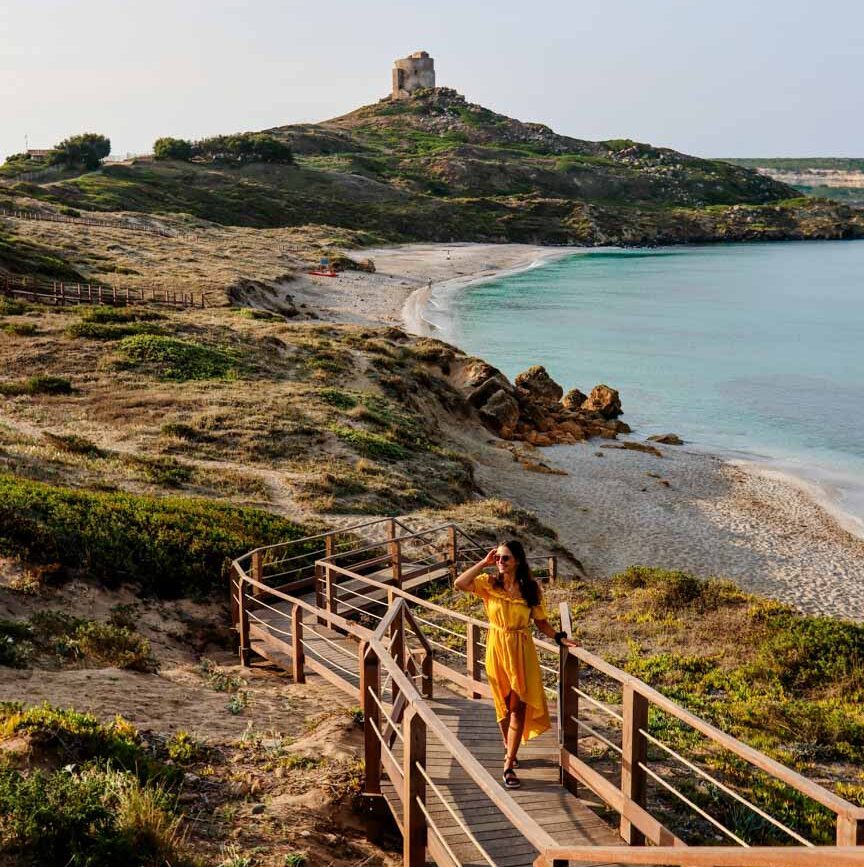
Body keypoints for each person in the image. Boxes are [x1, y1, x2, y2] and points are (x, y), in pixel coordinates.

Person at [454, 540, 578, 789]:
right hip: (497, 646)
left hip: (521, 649)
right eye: (498, 558)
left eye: (505, 558)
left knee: (517, 706)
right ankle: (508, 746)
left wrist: (559, 638)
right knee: (502, 703)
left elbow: (541, 622)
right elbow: (460, 583)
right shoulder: (489, 584)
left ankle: (508, 763)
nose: (500, 562)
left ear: (518, 561)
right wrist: (483, 562)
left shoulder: (531, 589)